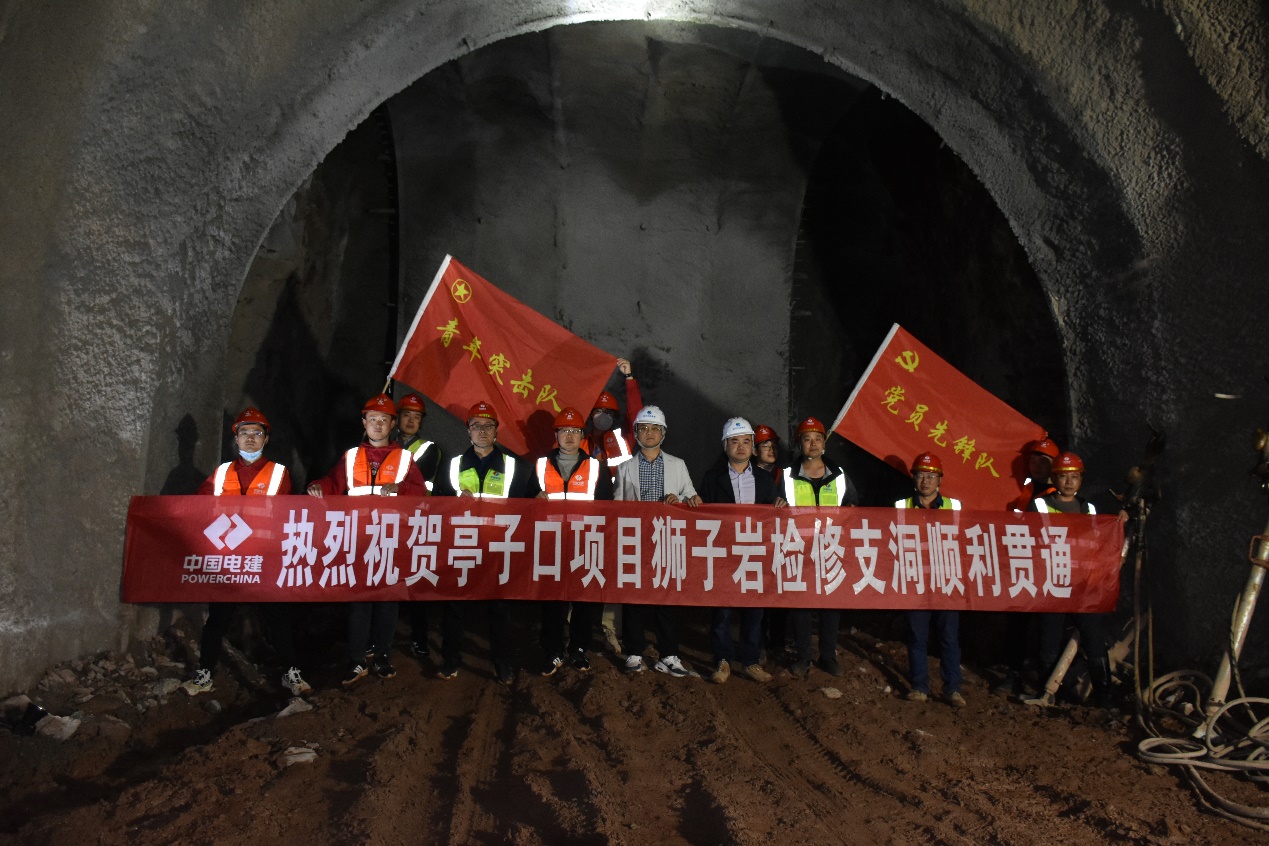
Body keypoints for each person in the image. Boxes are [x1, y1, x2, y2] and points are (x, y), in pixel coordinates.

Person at [182, 407, 311, 697]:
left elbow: (285, 513)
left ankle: (290, 672)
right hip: (229, 560)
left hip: (262, 559)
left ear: (266, 438)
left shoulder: (279, 474)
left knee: (276, 616)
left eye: (256, 433)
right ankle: (204, 674)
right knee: (217, 619)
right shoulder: (222, 473)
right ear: (236, 438)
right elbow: (199, 504)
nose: (250, 438)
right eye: (244, 432)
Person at [307, 393, 428, 687]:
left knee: (387, 600)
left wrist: (400, 489)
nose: (377, 424)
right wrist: (317, 486)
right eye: (372, 419)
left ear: (392, 424)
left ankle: (383, 656)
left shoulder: (405, 458)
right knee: (359, 601)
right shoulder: (351, 457)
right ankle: (357, 660)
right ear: (364, 422)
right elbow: (333, 483)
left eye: (383, 420)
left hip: (391, 538)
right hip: (359, 538)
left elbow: (421, 492)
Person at [431, 401, 542, 685]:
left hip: (497, 546)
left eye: (488, 426)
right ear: (467, 431)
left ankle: (502, 664)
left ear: (496, 431)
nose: (482, 431)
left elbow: (530, 502)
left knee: (499, 609)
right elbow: (436, 503)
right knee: (454, 608)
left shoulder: (515, 467)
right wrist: (453, 501)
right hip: (461, 546)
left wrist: (538, 498)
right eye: (476, 426)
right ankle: (451, 661)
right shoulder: (453, 464)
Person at [614, 405, 702, 677]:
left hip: (667, 538)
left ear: (663, 433)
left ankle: (668, 654)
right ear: (636, 433)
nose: (649, 433)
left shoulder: (678, 464)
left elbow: (691, 495)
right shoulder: (625, 468)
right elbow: (616, 505)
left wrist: (684, 500)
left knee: (667, 597)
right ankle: (634, 652)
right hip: (636, 540)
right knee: (634, 597)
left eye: (655, 428)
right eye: (644, 428)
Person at [697, 417, 785, 684]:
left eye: (746, 441)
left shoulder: (764, 479)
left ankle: (750, 661)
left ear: (753, 447)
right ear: (725, 445)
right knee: (722, 610)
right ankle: (722, 660)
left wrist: (779, 504)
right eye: (735, 442)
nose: (741, 447)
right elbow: (701, 516)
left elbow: (772, 512)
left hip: (754, 551)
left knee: (754, 610)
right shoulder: (712, 478)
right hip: (723, 552)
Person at [1027, 452, 1115, 707]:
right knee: (1049, 640)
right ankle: (1048, 692)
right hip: (1052, 583)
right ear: (1054, 478)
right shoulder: (1039, 505)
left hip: (1082, 585)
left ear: (1080, 480)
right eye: (1063, 477)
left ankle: (1105, 696)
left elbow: (1098, 543)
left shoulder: (1089, 509)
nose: (1069, 482)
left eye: (1074, 477)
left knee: (1093, 639)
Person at [535, 407, 614, 676]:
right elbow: (523, 503)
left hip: (585, 541)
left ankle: (579, 649)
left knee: (583, 600)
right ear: (555, 435)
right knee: (552, 601)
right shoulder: (539, 465)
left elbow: (606, 508)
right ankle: (552, 650)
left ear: (582, 435)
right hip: (550, 542)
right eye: (564, 431)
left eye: (575, 431)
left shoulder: (597, 467)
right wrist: (534, 498)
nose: (569, 436)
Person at [783, 416, 860, 678]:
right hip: (799, 548)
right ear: (800, 444)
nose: (813, 444)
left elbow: (853, 505)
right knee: (801, 605)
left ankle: (828, 656)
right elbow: (773, 508)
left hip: (831, 548)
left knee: (830, 605)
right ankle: (803, 656)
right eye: (807, 439)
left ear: (824, 443)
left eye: (817, 438)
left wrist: (851, 510)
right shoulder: (786, 476)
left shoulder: (839, 475)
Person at [895, 452, 965, 707]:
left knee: (949, 637)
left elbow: (965, 542)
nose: (925, 481)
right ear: (913, 478)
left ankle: (953, 688)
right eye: (920, 476)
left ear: (940, 480)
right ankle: (919, 686)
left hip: (946, 581)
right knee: (917, 635)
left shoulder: (954, 507)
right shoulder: (900, 506)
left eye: (931, 476)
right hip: (916, 580)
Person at [585, 357, 642, 655]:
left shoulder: (623, 441)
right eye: (598, 412)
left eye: (609, 413)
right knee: (581, 569)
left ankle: (609, 629)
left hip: (616, 518)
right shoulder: (577, 442)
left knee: (613, 572)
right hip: (584, 518)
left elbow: (637, 417)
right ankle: (576, 629)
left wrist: (629, 380)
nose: (603, 417)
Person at [998, 437, 1062, 694]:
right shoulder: (1024, 492)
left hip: (1049, 568)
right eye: (1033, 460)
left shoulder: (1061, 495)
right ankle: (1014, 673)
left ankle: (1046, 681)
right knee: (1017, 622)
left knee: (1048, 627)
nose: (1037, 465)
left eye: (1043, 461)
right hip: (1022, 564)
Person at [394, 392, 444, 661]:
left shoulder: (429, 449)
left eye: (416, 417)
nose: (411, 421)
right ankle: (379, 639)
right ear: (397, 419)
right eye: (406, 415)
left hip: (416, 522)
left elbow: (418, 482)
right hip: (386, 522)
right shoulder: (380, 445)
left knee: (416, 582)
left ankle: (419, 638)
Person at [753, 423, 790, 659]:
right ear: (755, 450)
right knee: (757, 595)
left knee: (780, 595)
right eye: (765, 446)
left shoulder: (786, 475)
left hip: (781, 542)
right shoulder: (745, 474)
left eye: (774, 445)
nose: (771, 450)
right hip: (755, 541)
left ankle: (777, 643)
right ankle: (757, 644)